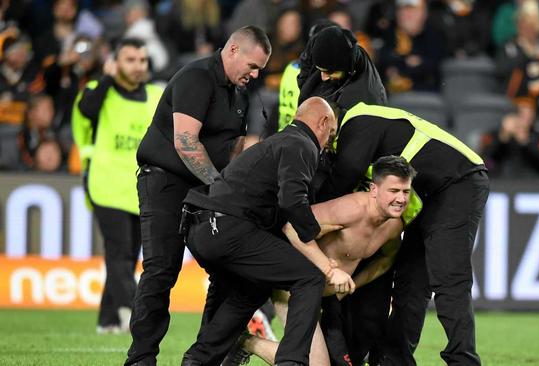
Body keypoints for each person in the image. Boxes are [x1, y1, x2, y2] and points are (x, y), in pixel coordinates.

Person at [124, 26, 271, 366]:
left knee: (229, 270)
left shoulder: (239, 93)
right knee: (161, 270)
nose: (254, 74)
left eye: (259, 69)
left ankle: (207, 357)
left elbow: (231, 148)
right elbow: (186, 142)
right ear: (232, 49)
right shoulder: (197, 77)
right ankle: (141, 359)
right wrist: (222, 189)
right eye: (251, 65)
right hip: (166, 183)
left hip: (204, 188)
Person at [180, 97, 352, 366]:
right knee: (309, 278)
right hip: (229, 227)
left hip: (200, 225)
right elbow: (293, 202)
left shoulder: (279, 141)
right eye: (330, 134)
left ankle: (199, 359)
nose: (328, 142)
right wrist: (315, 237)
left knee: (249, 288)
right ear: (323, 122)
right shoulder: (302, 144)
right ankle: (291, 361)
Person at [318, 102, 489, 366]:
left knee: (449, 278)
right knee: (410, 281)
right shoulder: (367, 124)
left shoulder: (358, 121)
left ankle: (463, 362)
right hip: (430, 192)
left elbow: (344, 177)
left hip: (461, 181)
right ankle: (393, 361)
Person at [231, 155, 415, 366]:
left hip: (327, 299)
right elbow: (291, 228)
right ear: (373, 189)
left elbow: (386, 260)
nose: (401, 199)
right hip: (294, 290)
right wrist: (329, 270)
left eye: (405, 192)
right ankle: (242, 340)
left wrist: (353, 285)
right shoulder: (350, 209)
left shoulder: (394, 226)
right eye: (393, 191)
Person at [71, 38, 163, 334]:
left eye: (142, 60)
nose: (138, 66)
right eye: (130, 60)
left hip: (139, 188)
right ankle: (136, 315)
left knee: (129, 255)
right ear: (115, 62)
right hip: (106, 184)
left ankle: (107, 320)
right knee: (120, 252)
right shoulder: (99, 92)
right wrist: (107, 78)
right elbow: (86, 110)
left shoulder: (155, 95)